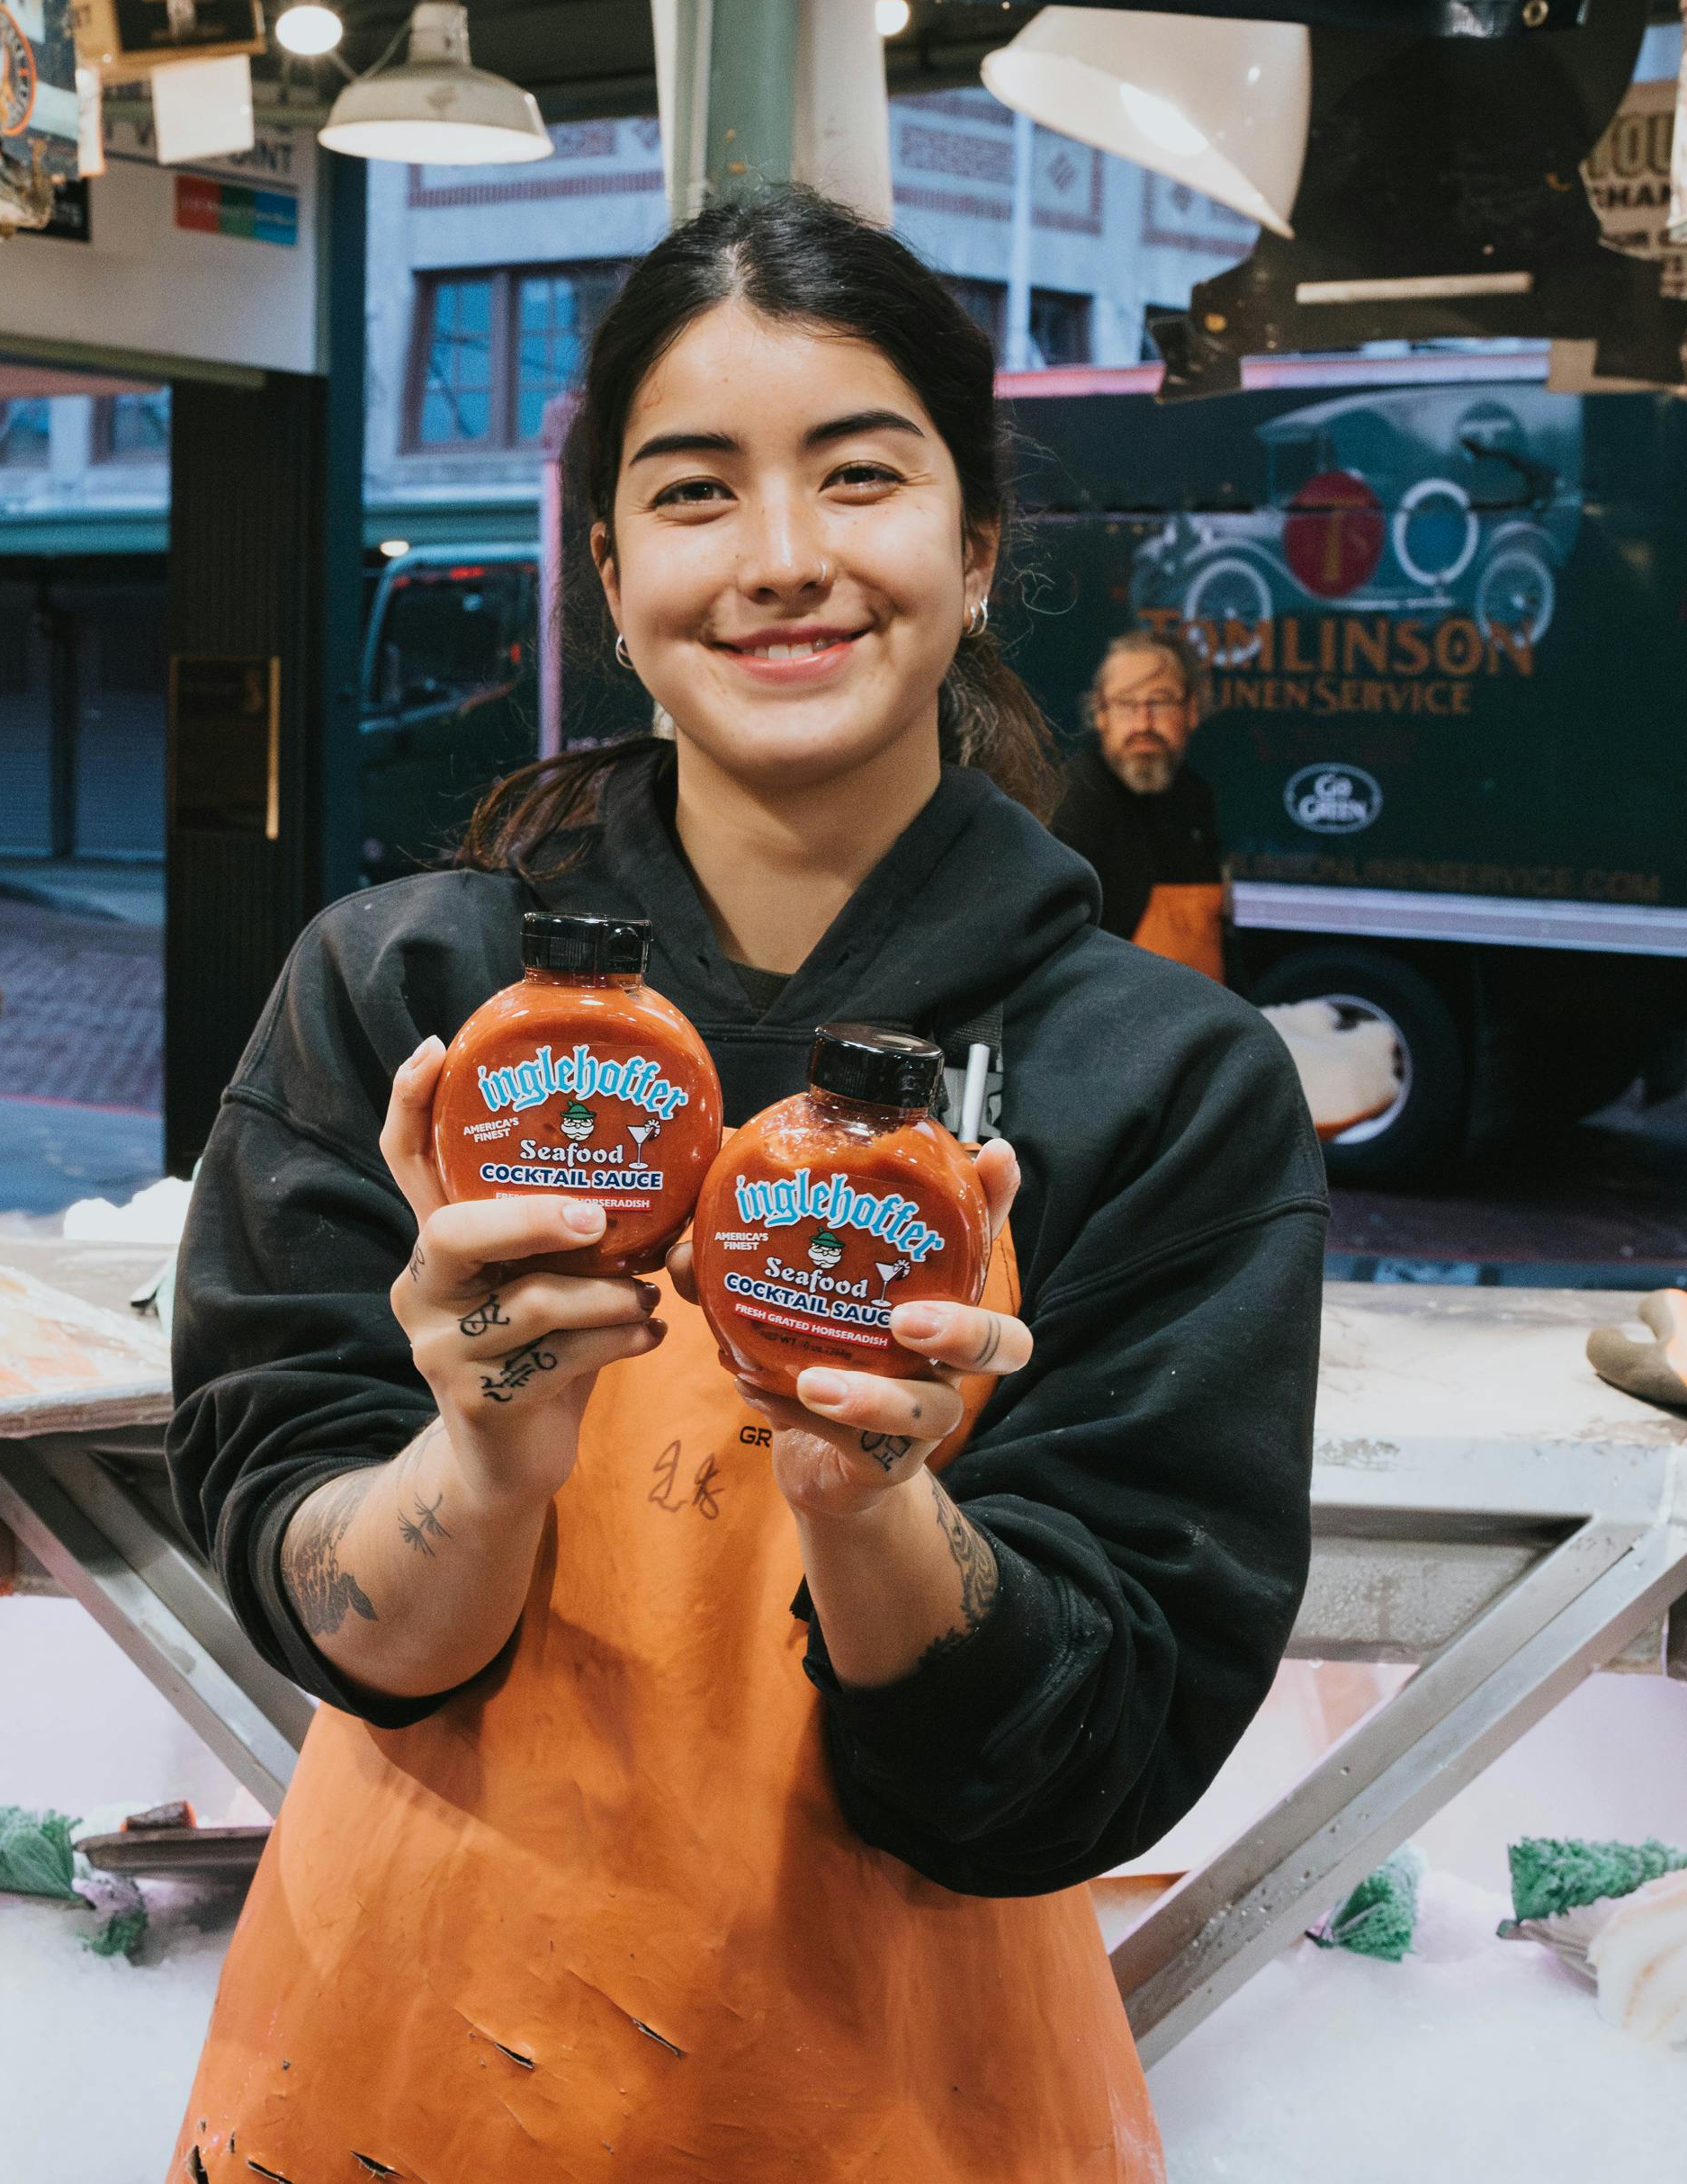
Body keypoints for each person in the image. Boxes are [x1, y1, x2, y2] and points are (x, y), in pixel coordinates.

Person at [166, 189, 1326, 2181]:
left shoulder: (1162, 1082)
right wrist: (480, 1450)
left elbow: (1092, 1756)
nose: (782, 560)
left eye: (859, 477)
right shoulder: (410, 1001)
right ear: (609, 577)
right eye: (693, 494)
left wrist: (875, 1508)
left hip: (906, 2111)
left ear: (973, 549)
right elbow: (332, 1604)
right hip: (399, 2091)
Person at [1050, 625, 1229, 980]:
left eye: (1159, 702)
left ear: (1191, 710)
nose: (1143, 723)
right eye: (1126, 704)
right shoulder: (1074, 800)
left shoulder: (1196, 797)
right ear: (1100, 714)